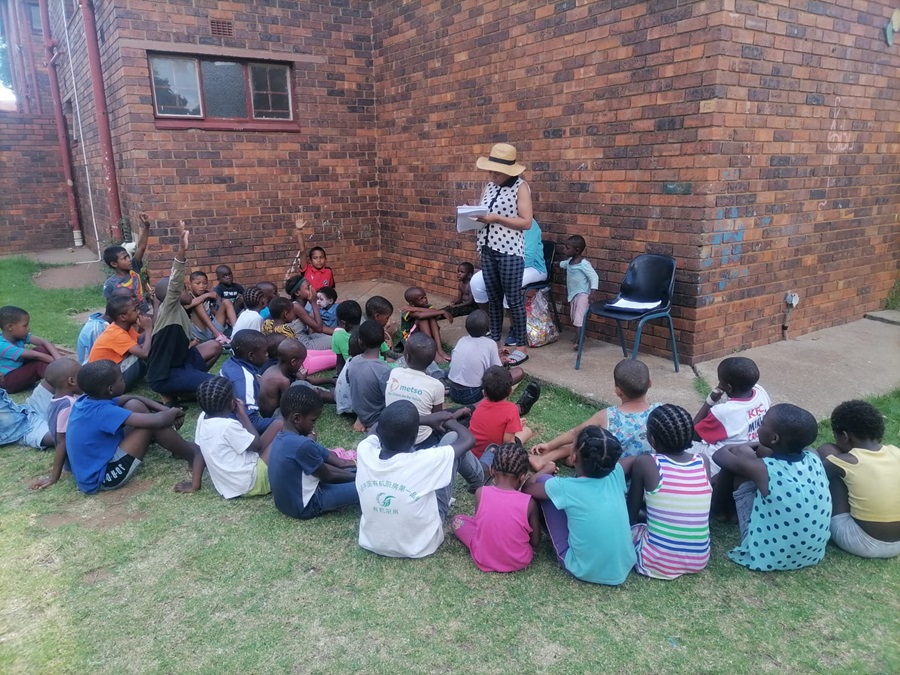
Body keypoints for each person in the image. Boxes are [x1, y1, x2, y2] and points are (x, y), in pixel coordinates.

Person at [713, 403, 831, 572]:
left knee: (741, 456)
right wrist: (760, 445)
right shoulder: (814, 456)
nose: (759, 426)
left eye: (762, 423)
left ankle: (720, 513)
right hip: (812, 554)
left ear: (774, 439)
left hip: (768, 555)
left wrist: (745, 446)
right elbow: (770, 450)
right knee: (754, 457)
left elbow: (720, 455)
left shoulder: (763, 470)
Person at [355, 400, 476, 558]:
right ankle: (480, 484)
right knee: (452, 438)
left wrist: (420, 421)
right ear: (414, 438)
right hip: (421, 545)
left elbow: (377, 426)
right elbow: (468, 440)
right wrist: (447, 419)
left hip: (373, 542)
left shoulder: (364, 450)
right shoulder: (424, 461)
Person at [523, 426, 636, 585]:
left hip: (582, 568)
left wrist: (545, 471)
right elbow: (633, 461)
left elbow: (528, 489)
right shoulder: (616, 472)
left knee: (543, 482)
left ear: (573, 457)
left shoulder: (564, 487)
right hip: (623, 565)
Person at [64, 360, 198, 494]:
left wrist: (165, 409)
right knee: (151, 425)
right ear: (110, 389)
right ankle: (192, 456)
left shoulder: (87, 400)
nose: (124, 381)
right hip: (103, 477)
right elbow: (157, 421)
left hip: (101, 459)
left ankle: (176, 448)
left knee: (134, 404)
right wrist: (174, 411)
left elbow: (133, 397)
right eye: (121, 379)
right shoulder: (103, 412)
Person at [628, 404, 712, 579]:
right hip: (699, 559)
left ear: (652, 438)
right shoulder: (702, 461)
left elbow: (631, 515)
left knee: (633, 529)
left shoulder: (646, 462)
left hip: (654, 562)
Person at [531, 359, 658, 470]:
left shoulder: (608, 415)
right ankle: (552, 457)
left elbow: (576, 432)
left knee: (586, 443)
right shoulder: (660, 412)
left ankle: (545, 458)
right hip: (647, 476)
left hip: (608, 472)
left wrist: (549, 445)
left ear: (617, 391)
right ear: (650, 383)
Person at [146, 223, 222, 404]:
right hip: (166, 374)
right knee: (218, 385)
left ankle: (190, 385)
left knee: (215, 346)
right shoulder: (169, 308)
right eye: (184, 289)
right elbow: (174, 282)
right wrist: (182, 250)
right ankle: (183, 393)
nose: (188, 292)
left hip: (183, 361)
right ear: (173, 295)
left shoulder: (175, 310)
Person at [816, 400, 900, 558]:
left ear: (845, 436)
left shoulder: (845, 461)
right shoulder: (896, 453)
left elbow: (816, 480)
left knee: (828, 451)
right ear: (879, 435)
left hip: (862, 542)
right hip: (897, 544)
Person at [473, 143, 533, 350]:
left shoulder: (521, 187)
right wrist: (473, 218)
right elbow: (483, 212)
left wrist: (497, 218)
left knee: (513, 299)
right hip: (488, 248)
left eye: (496, 172)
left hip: (509, 252)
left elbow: (526, 222)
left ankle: (521, 345)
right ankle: (495, 343)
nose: (492, 175)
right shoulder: (489, 186)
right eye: (490, 170)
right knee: (494, 298)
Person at [175, 377, 277, 498]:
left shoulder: (203, 418)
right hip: (251, 482)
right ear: (232, 402)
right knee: (284, 434)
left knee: (278, 424)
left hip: (230, 486)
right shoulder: (228, 426)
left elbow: (199, 452)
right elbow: (256, 445)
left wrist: (194, 485)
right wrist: (242, 414)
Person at [268, 385, 358, 520]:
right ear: (297, 418)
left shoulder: (282, 437)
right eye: (313, 420)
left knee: (356, 475)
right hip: (307, 505)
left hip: (286, 504)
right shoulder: (302, 445)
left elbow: (337, 463)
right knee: (368, 487)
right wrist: (363, 478)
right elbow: (328, 476)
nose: (314, 425)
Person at [451, 442, 541, 573]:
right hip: (520, 560)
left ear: (492, 470)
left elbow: (478, 527)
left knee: (457, 520)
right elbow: (536, 542)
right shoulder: (529, 502)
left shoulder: (481, 493)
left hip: (483, 556)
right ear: (523, 477)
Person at [469, 218, 548, 345]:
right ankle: (489, 323)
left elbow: (528, 257)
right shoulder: (500, 221)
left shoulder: (530, 224)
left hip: (533, 267)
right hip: (505, 267)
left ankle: (515, 330)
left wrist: (502, 271)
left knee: (509, 285)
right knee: (476, 283)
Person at [693, 356, 770, 478]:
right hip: (749, 455)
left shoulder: (723, 412)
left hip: (718, 464)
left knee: (679, 444)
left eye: (720, 381)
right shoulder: (761, 393)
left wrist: (710, 401)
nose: (719, 384)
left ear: (728, 387)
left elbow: (693, 435)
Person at [447, 310, 525, 405]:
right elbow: (498, 373)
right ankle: (486, 400)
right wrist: (502, 361)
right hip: (472, 395)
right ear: (488, 329)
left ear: (466, 327)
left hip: (453, 391)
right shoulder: (490, 344)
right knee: (518, 372)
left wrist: (496, 356)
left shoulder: (462, 340)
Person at [384, 333, 448, 449]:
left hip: (392, 436)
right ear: (431, 362)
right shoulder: (436, 386)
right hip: (421, 440)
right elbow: (436, 417)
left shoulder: (395, 373)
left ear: (406, 357)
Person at [469, 366, 538, 468]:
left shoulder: (480, 406)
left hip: (472, 454)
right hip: (494, 457)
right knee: (527, 431)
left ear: (484, 393)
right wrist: (515, 427)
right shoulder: (511, 409)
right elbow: (508, 441)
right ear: (511, 391)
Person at [29, 359, 82, 488]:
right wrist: (53, 477)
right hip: (80, 457)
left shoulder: (55, 401)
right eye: (82, 376)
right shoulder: (68, 404)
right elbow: (61, 441)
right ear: (72, 381)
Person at [220, 329, 280, 435]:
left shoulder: (230, 363)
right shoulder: (244, 379)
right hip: (232, 430)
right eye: (265, 352)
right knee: (284, 424)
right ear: (251, 356)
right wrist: (282, 423)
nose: (268, 355)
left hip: (221, 420)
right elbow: (250, 422)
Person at [88, 295, 152, 390]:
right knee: (146, 351)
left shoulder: (125, 327)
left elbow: (142, 341)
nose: (138, 312)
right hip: (107, 382)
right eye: (135, 310)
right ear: (122, 317)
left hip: (113, 371)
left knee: (151, 341)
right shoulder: (116, 333)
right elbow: (145, 353)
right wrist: (148, 328)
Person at [259, 338, 334, 417]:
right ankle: (330, 396)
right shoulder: (283, 381)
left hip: (269, 411)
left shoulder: (272, 369)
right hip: (275, 415)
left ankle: (328, 394)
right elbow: (289, 405)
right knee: (304, 392)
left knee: (301, 384)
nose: (301, 366)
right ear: (293, 362)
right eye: (301, 363)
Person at [0, 305, 62, 394]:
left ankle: (61, 373)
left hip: (19, 368)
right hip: (7, 381)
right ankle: (61, 382)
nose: (28, 328)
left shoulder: (19, 336)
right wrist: (59, 363)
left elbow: (43, 342)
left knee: (41, 349)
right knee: (37, 364)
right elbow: (35, 355)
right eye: (25, 325)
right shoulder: (1, 345)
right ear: (10, 327)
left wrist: (59, 359)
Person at [346, 320, 393, 432]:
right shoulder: (384, 370)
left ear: (360, 342)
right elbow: (390, 398)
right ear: (383, 342)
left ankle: (361, 420)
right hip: (378, 418)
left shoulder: (353, 362)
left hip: (361, 414)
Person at [102, 211, 150, 312]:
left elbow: (141, 247)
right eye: (124, 258)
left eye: (128, 256)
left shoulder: (134, 267)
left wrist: (147, 226)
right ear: (114, 264)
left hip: (143, 313)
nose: (129, 260)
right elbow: (111, 307)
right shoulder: (110, 284)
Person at [559, 235, 599, 347]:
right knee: (574, 317)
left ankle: (579, 341)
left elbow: (594, 277)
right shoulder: (570, 262)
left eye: (567, 248)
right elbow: (562, 264)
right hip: (573, 294)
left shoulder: (584, 264)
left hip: (583, 295)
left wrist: (593, 292)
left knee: (579, 317)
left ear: (576, 250)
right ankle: (579, 337)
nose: (564, 250)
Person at [398, 286, 453, 363]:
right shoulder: (407, 310)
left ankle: (439, 349)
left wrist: (416, 308)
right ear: (412, 304)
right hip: (410, 338)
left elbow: (433, 311)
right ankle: (432, 351)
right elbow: (420, 316)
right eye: (421, 299)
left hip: (423, 335)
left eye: (425, 297)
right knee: (422, 319)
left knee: (431, 316)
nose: (424, 300)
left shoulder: (427, 306)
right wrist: (443, 311)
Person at [181, 270, 236, 345]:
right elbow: (187, 306)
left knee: (227, 302)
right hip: (199, 332)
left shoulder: (207, 293)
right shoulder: (187, 296)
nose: (201, 286)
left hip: (212, 327)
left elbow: (211, 308)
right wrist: (206, 295)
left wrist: (225, 318)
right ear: (190, 284)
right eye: (198, 283)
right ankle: (218, 335)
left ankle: (237, 333)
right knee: (198, 304)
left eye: (205, 283)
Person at [0, 372, 51, 451]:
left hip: (28, 410)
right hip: (24, 431)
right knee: (64, 436)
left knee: (58, 372)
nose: (1, 374)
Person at [284, 274, 333, 350]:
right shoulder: (296, 306)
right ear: (297, 293)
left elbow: (316, 327)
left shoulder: (302, 307)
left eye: (311, 287)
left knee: (334, 337)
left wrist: (339, 331)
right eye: (308, 288)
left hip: (307, 337)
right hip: (301, 344)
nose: (312, 290)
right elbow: (319, 328)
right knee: (336, 340)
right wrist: (314, 302)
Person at [290, 216, 336, 291]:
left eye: (321, 257)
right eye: (315, 258)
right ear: (310, 261)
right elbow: (302, 250)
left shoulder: (328, 271)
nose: (318, 260)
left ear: (325, 260)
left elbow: (332, 289)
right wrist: (299, 231)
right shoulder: (307, 269)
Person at [331, 300, 363, 373]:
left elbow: (340, 361)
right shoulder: (369, 330)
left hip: (353, 373)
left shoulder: (337, 335)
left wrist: (340, 378)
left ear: (343, 323)